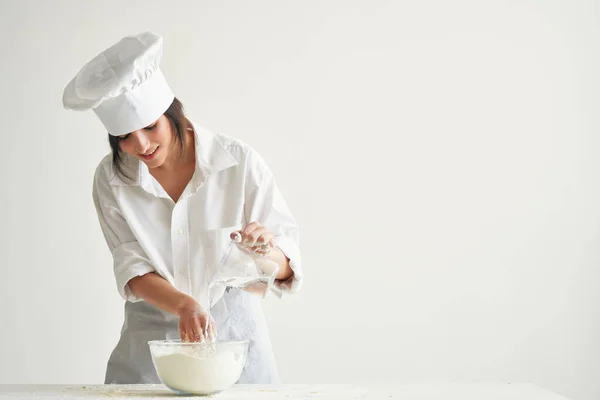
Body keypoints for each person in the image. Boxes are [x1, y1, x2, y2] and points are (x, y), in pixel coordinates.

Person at [62, 31, 302, 384]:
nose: (141, 144)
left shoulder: (239, 163)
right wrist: (185, 305)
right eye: (125, 137)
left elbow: (286, 272)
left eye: (149, 126)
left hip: (235, 342)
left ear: (171, 112)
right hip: (150, 347)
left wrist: (266, 251)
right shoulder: (112, 179)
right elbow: (133, 267)